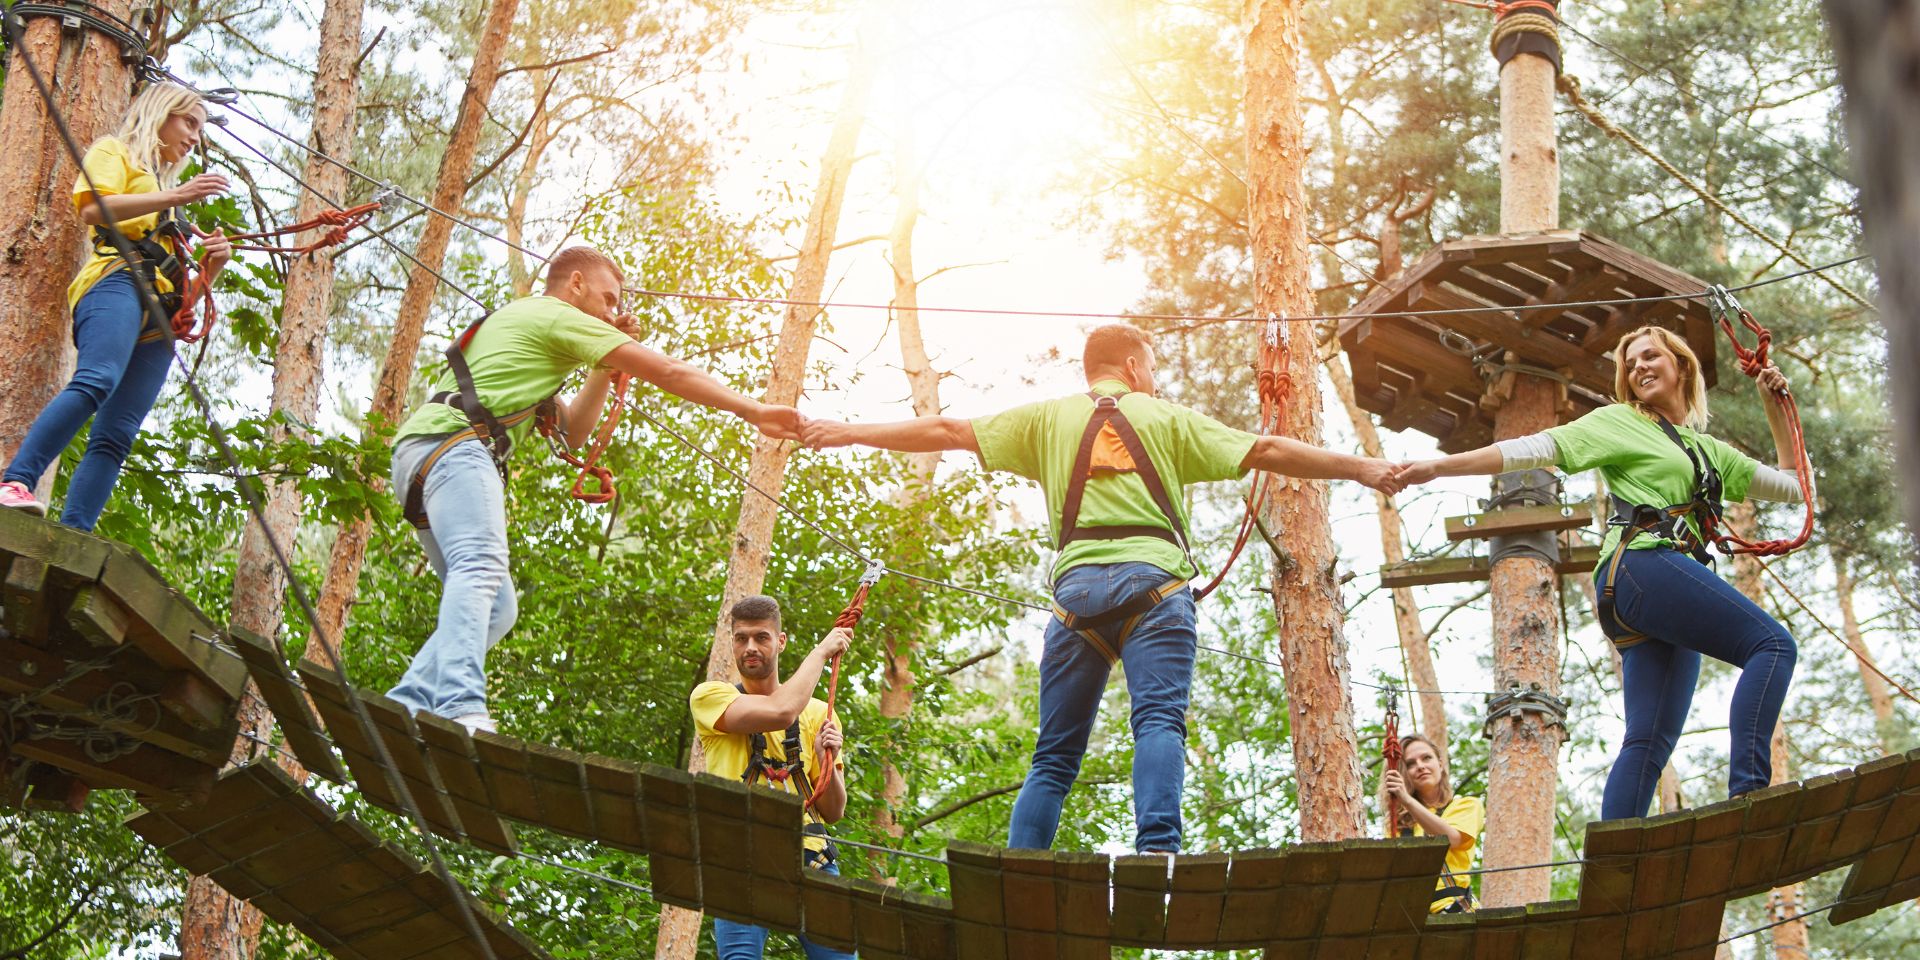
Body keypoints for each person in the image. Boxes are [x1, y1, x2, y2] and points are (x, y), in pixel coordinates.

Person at [801, 323, 1403, 853]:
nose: (1157, 382)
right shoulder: (1164, 417)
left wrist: (849, 431)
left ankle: (1021, 865)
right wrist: (1364, 468)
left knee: (1054, 756)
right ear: (1135, 366)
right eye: (1154, 370)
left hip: (1075, 599)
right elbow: (1268, 448)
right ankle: (1157, 854)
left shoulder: (1045, 419)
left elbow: (948, 428)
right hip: (1156, 588)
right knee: (1159, 722)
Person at [385, 245, 804, 731]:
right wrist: (752, 410)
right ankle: (459, 703)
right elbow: (668, 371)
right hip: (454, 447)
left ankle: (410, 699)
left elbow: (574, 431)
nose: (612, 312)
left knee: (497, 607)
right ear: (575, 284)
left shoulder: (531, 330)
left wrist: (603, 369)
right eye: (608, 300)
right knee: (479, 565)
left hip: (425, 454)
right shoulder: (555, 313)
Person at [1396, 324, 1807, 819]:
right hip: (1643, 566)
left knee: (1649, 740)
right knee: (1773, 645)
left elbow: (1794, 486)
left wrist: (1773, 405)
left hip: (1647, 587)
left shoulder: (1710, 452)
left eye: (1650, 357)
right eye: (1630, 365)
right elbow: (1537, 448)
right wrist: (1440, 468)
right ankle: (1749, 793)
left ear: (1681, 366)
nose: (1639, 369)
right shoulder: (1621, 422)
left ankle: (1614, 865)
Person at [0, 82, 232, 528]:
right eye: (189, 122)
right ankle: (17, 480)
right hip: (115, 282)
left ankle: (76, 532)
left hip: (161, 318)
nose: (194, 137)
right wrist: (175, 197)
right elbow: (93, 209)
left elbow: (185, 300)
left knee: (117, 435)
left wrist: (210, 269)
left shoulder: (171, 202)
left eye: (200, 129)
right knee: (97, 379)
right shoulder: (115, 153)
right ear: (161, 113)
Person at [690, 595, 853, 960]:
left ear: (780, 642)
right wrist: (821, 652)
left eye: (761, 637)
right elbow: (780, 711)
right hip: (739, 857)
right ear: (731, 642)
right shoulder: (710, 698)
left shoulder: (817, 714)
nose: (750, 647)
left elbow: (833, 810)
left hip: (810, 855)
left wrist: (830, 758)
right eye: (741, 638)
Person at [1382, 734, 1482, 914]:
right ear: (1405, 774)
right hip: (1410, 915)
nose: (1420, 766)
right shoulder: (1400, 825)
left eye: (1426, 758)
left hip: (1453, 911)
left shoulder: (1465, 806)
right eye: (1411, 764)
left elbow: (1452, 838)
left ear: (1441, 764)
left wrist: (1406, 800)